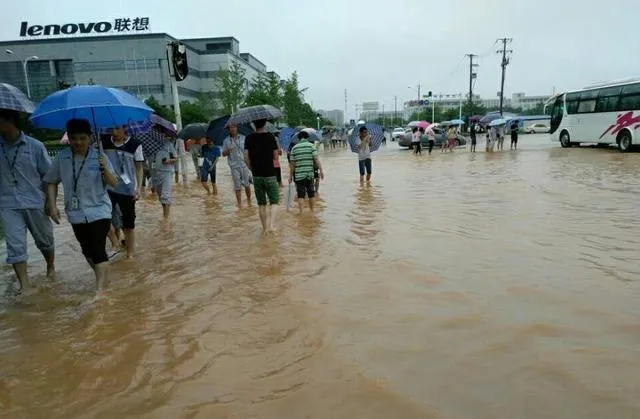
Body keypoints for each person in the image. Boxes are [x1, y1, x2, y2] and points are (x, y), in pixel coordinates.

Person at [44, 119, 119, 293]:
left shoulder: (100, 157)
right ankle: (103, 278)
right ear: (68, 138)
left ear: (90, 137)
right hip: (76, 212)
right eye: (74, 138)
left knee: (97, 248)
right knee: (87, 251)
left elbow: (114, 183)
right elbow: (51, 182)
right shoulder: (62, 158)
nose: (78, 142)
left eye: (82, 138)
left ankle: (100, 292)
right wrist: (53, 206)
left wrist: (104, 170)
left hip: (99, 210)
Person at [0, 109, 55, 292]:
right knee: (15, 245)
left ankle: (50, 266)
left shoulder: (35, 146)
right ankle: (25, 285)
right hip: (8, 205)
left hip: (34, 201)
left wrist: (50, 202)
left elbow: (48, 177)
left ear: (10, 121)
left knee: (45, 241)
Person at [101, 126, 144, 259]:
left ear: (125, 128)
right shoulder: (104, 142)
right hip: (108, 188)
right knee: (104, 218)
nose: (114, 132)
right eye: (111, 129)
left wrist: (139, 188)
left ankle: (129, 253)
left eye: (117, 129)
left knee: (129, 223)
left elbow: (139, 168)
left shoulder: (135, 144)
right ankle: (115, 243)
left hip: (127, 190)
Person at [244, 118, 279, 232]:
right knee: (274, 201)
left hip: (257, 175)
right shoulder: (270, 137)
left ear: (253, 124)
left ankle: (264, 229)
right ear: (265, 124)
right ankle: (272, 226)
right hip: (270, 173)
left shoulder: (248, 138)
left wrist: (251, 168)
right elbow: (275, 157)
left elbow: (246, 158)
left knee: (261, 204)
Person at [289, 131, 324, 214]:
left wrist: (290, 176)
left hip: (299, 175)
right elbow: (316, 160)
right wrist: (321, 171)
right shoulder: (311, 146)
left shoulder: (294, 148)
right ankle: (312, 212)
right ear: (307, 137)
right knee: (311, 193)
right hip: (309, 174)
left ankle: (301, 212)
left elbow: (292, 164)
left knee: (300, 195)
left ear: (298, 138)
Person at [222, 124, 252, 207]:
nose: (233, 129)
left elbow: (249, 150)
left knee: (247, 184)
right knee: (237, 186)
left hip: (244, 164)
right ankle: (239, 204)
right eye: (231, 127)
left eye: (234, 127)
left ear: (237, 128)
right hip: (234, 166)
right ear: (228, 129)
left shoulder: (243, 138)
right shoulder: (226, 141)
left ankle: (249, 202)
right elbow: (223, 154)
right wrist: (229, 150)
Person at [154, 135, 179, 217]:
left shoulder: (169, 144)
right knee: (161, 196)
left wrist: (169, 161)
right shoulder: (152, 144)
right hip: (156, 173)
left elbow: (176, 158)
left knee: (165, 196)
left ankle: (166, 220)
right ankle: (165, 211)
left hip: (167, 173)